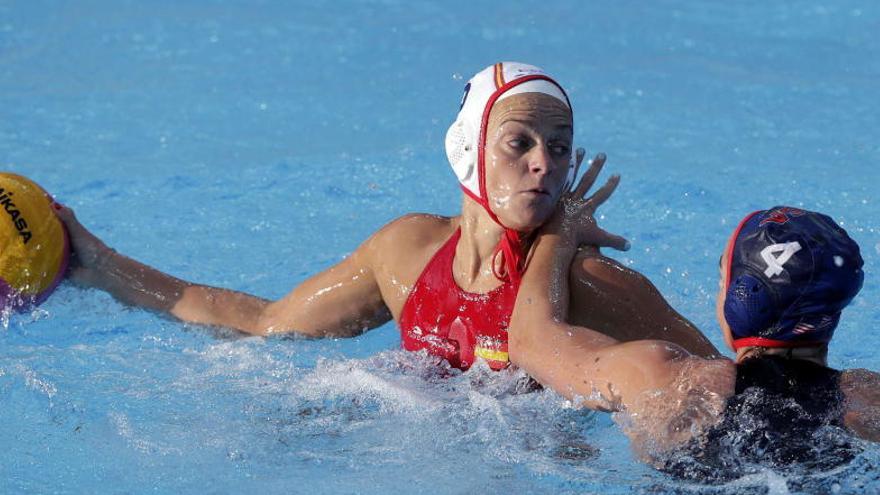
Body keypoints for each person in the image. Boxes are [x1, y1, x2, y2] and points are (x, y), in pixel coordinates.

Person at [56, 62, 718, 378]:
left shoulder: (590, 284)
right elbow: (265, 324)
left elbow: (729, 387)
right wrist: (100, 265)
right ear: (468, 151)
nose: (544, 163)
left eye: (560, 146)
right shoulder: (405, 254)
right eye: (520, 143)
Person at [510, 199, 878, 476]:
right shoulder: (866, 397)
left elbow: (531, 340)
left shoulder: (669, 376)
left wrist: (558, 230)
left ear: (742, 301)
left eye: (723, 280)